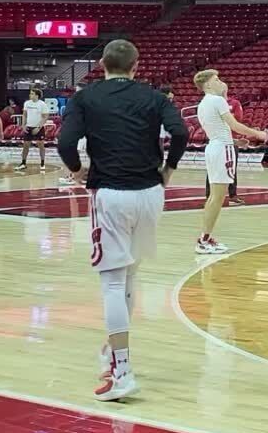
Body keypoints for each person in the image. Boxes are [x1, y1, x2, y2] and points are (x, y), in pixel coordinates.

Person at [56, 39, 189, 402]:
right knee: (130, 275)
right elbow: (180, 132)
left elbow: (65, 142)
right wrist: (169, 169)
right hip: (150, 193)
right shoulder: (154, 96)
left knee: (113, 283)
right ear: (136, 66)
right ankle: (111, 352)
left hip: (111, 194)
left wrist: (77, 170)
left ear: (101, 63)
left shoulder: (85, 97)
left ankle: (123, 372)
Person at [193, 70, 267, 254]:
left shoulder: (203, 104)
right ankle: (204, 240)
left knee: (213, 197)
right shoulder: (217, 100)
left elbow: (216, 130)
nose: (221, 82)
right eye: (216, 79)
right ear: (208, 85)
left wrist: (235, 141)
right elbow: (234, 125)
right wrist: (258, 134)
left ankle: (206, 238)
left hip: (214, 147)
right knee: (217, 198)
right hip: (221, 149)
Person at [19, 87, 50, 172]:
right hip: (28, 127)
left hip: (38, 128)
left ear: (37, 95)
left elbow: (45, 117)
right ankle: (23, 163)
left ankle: (42, 163)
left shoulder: (42, 104)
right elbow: (24, 115)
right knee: (25, 145)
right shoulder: (27, 103)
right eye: (30, 93)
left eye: (32, 93)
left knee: (41, 145)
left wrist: (38, 127)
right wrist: (23, 125)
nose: (30, 95)